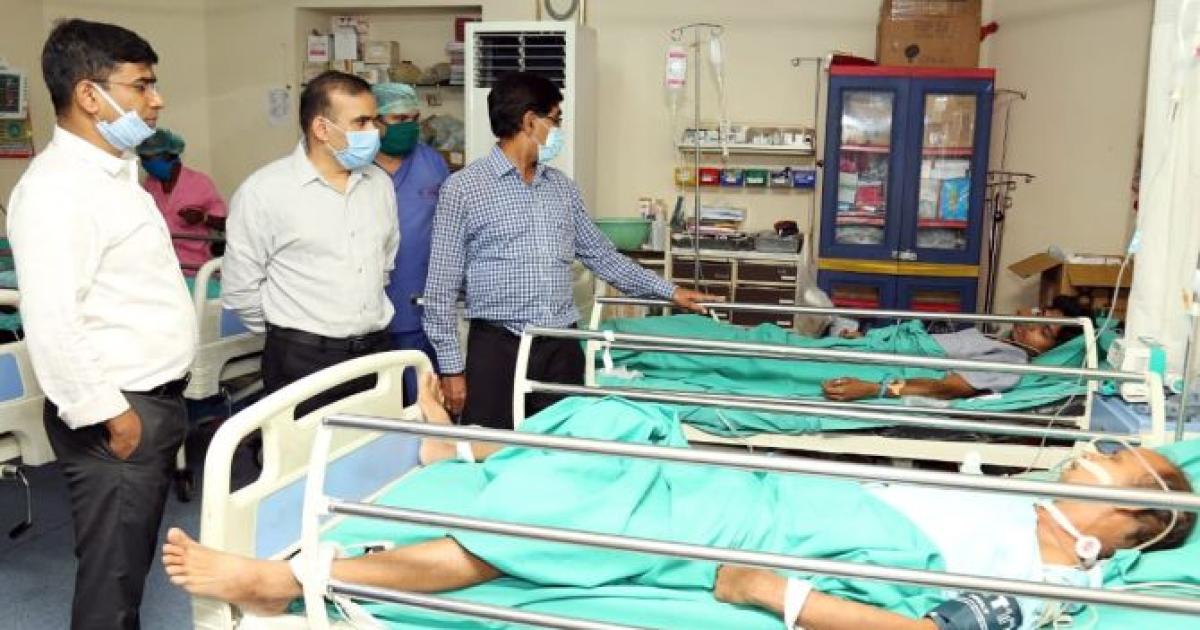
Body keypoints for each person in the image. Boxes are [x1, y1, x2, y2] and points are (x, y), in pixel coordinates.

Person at [162, 376, 1194, 630]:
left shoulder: (1046, 578)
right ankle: (474, 457)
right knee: (617, 431)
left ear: (1137, 522)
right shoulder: (1026, 504)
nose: (1095, 450)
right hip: (793, 491)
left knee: (568, 529)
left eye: (1117, 458)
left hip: (810, 534)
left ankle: (295, 579)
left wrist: (780, 596)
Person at [7, 19, 198, 630]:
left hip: (149, 402)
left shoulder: (115, 174)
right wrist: (111, 416)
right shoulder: (57, 190)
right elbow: (53, 320)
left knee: (124, 571)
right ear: (90, 95)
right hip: (120, 412)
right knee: (110, 587)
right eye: (141, 85)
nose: (156, 100)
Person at [423, 71, 713, 428]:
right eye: (555, 120)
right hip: (499, 347)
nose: (559, 130)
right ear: (530, 122)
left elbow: (603, 256)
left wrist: (670, 292)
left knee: (566, 444)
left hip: (561, 346)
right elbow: (441, 287)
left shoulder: (561, 188)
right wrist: (451, 369)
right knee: (493, 449)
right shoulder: (464, 189)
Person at [222, 71, 399, 417]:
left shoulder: (379, 184)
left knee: (377, 447)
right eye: (361, 122)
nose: (375, 132)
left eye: (375, 121)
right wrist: (289, 333)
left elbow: (385, 262)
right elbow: (241, 289)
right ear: (321, 128)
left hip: (375, 350)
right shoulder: (264, 191)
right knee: (305, 450)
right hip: (302, 358)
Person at [822, 298, 1091, 402]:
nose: (1031, 324)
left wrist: (874, 389)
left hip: (876, 370)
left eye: (1044, 332)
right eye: (1039, 315)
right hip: (875, 350)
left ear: (1053, 351)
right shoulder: (1000, 341)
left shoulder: (1011, 360)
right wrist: (866, 338)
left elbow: (945, 388)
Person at [371, 82, 450, 402]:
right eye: (399, 119)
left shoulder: (432, 163)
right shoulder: (354, 166)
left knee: (422, 401)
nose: (409, 127)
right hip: (366, 312)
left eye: (414, 119)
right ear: (375, 121)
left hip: (419, 303)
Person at [136, 127, 227, 274]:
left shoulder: (199, 183)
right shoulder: (150, 185)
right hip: (163, 264)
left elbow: (223, 223)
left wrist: (203, 218)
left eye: (149, 159)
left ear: (168, 156)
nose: (145, 164)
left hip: (195, 266)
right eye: (142, 159)